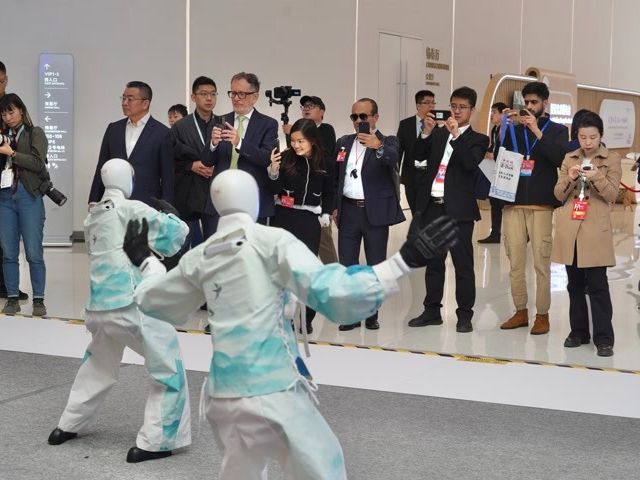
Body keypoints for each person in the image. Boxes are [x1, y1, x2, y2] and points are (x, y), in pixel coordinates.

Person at [124, 168, 458, 480]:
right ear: (254, 200)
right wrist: (401, 263)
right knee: (322, 466)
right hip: (273, 391)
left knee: (241, 472)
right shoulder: (272, 243)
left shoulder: (201, 256)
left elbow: (156, 299)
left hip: (223, 397)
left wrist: (145, 260)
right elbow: (332, 290)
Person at [48, 158, 191, 463]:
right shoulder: (130, 208)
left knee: (97, 366)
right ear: (127, 179)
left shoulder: (92, 217)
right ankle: (157, 440)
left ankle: (68, 424)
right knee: (167, 366)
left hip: (98, 308)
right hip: (131, 304)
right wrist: (175, 217)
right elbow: (172, 238)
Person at [409, 87, 489, 332]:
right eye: (453, 106)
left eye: (462, 107)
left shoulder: (478, 139)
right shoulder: (438, 133)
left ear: (472, 110)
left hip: (459, 211)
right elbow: (417, 157)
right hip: (433, 206)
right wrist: (426, 133)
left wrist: (456, 135)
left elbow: (469, 164)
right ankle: (432, 311)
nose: (456, 111)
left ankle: (464, 315)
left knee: (462, 264)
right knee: (434, 262)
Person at [498, 81, 568, 335]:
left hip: (541, 204)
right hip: (513, 203)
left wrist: (537, 131)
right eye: (526, 102)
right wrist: (502, 129)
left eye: (534, 102)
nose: (529, 106)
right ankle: (520, 311)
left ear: (544, 103)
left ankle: (542, 314)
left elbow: (559, 159)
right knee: (515, 260)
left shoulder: (557, 130)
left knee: (541, 262)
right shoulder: (514, 130)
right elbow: (500, 157)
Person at [551, 111, 621, 357]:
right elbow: (558, 194)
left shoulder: (612, 159)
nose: (588, 142)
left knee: (598, 286)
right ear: (577, 137)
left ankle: (604, 338)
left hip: (595, 230)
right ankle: (578, 332)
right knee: (575, 285)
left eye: (592, 137)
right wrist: (570, 178)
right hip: (571, 228)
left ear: (601, 135)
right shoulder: (569, 158)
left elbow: (612, 194)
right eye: (582, 137)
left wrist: (597, 176)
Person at [333, 98, 405, 331]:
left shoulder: (388, 141)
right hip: (348, 211)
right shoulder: (343, 142)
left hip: (375, 213)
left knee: (375, 265)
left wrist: (377, 145)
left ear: (375, 117)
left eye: (363, 116)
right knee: (348, 265)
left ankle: (372, 313)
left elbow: (393, 159)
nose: (358, 121)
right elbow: (336, 176)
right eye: (354, 117)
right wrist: (334, 206)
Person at [268, 118, 334, 333]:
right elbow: (274, 189)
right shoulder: (285, 157)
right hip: (283, 218)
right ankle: (282, 317)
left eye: (301, 141)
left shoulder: (325, 162)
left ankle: (307, 318)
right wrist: (273, 171)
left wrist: (325, 212)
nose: (296, 145)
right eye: (293, 141)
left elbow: (330, 191)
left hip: (309, 221)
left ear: (312, 140)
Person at [204, 72, 278, 228]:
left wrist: (239, 143)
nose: (236, 98)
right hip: (221, 197)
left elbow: (265, 158)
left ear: (255, 97)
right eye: (233, 93)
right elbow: (207, 161)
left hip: (251, 198)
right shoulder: (220, 120)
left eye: (241, 94)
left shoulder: (268, 124)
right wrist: (213, 144)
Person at [88, 81, 174, 207]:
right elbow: (102, 165)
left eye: (130, 99)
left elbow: (168, 177)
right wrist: (94, 200)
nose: (124, 103)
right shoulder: (113, 129)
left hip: (147, 205)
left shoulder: (162, 133)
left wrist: (166, 208)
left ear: (145, 103)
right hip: (113, 203)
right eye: (123, 98)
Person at [0, 93, 48, 316]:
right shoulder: (2, 135)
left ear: (21, 110)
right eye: (3, 113)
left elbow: (38, 163)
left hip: (29, 197)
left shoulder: (34, 133)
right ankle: (12, 297)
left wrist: (11, 152)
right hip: (4, 198)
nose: (7, 117)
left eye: (11, 111)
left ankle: (38, 299)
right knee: (8, 252)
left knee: (33, 251)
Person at [283, 95, 338, 264]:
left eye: (311, 106)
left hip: (317, 200)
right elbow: (294, 156)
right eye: (304, 106)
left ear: (322, 111)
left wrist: (327, 211)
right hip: (292, 206)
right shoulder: (295, 138)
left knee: (323, 241)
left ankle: (332, 271)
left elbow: (322, 156)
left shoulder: (326, 129)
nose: (306, 108)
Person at [171, 76, 218, 243]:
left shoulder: (222, 124)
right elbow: (170, 159)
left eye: (213, 94)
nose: (209, 98)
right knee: (185, 244)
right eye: (204, 94)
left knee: (214, 244)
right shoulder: (180, 126)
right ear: (193, 97)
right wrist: (190, 165)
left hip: (215, 192)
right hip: (189, 192)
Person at [0, 61, 28, 300]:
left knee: (7, 238)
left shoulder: (10, 106)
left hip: (9, 181)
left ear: (6, 80)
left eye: (0, 81)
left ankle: (7, 286)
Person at [397, 90, 436, 214]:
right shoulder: (405, 124)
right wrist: (395, 174)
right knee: (415, 212)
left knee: (429, 212)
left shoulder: (437, 125)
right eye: (427, 103)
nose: (431, 106)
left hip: (431, 176)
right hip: (411, 177)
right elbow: (399, 151)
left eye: (433, 103)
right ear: (418, 105)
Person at [478, 101, 508, 244]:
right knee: (495, 203)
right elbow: (493, 147)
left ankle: (522, 233)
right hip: (494, 171)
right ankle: (495, 233)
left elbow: (507, 149)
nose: (491, 115)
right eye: (491, 112)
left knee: (507, 205)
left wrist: (494, 155)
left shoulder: (508, 129)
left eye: (494, 112)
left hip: (506, 172)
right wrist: (487, 152)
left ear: (502, 114)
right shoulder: (495, 129)